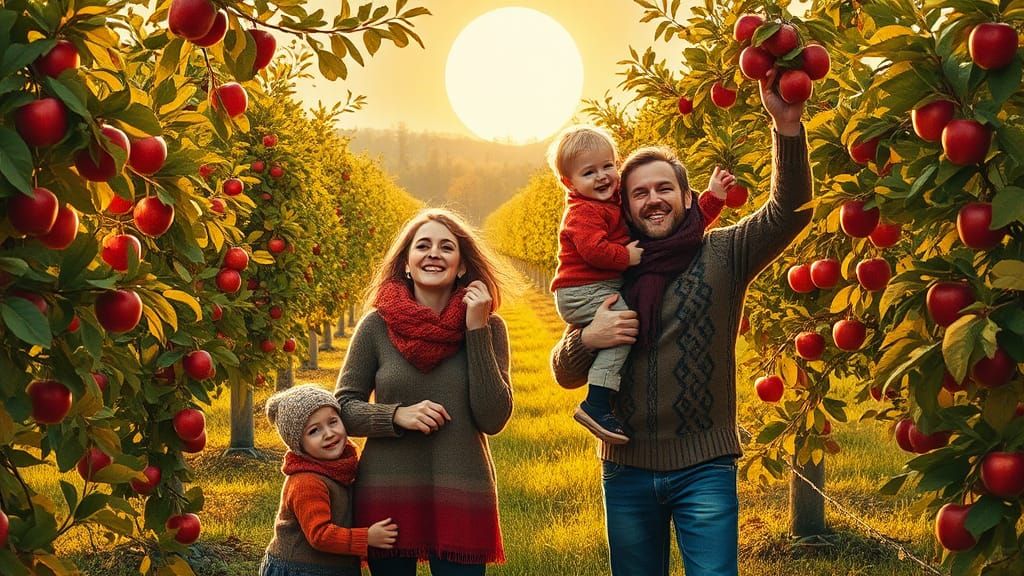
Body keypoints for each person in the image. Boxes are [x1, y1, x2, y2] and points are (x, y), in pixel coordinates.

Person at [549, 68, 813, 576]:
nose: (653, 199)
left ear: (688, 198)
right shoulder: (614, 264)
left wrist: (786, 126)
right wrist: (589, 338)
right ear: (624, 207)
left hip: (704, 468)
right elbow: (564, 372)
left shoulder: (724, 253)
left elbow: (790, 212)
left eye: (664, 188)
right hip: (625, 470)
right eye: (639, 193)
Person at [335, 208, 513, 576]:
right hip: (387, 495)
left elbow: (493, 418)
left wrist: (476, 332)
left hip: (462, 493)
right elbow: (343, 408)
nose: (434, 253)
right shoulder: (376, 326)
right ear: (406, 263)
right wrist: (395, 415)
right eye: (423, 245)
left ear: (462, 266)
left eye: (447, 247)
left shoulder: (488, 327)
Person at [547, 124, 733, 443]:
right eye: (589, 172)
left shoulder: (617, 210)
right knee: (622, 325)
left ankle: (598, 402)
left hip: (701, 447)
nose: (602, 177)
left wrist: (714, 198)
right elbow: (592, 249)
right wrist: (590, 337)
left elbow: (690, 226)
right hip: (583, 290)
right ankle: (597, 403)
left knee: (621, 324)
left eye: (608, 166)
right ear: (569, 183)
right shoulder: (584, 212)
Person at [260, 384, 398, 576]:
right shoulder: (306, 482)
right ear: (298, 444)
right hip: (300, 569)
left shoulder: (341, 468)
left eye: (333, 422)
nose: (329, 434)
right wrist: (366, 538)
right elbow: (320, 535)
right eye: (314, 431)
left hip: (333, 567)